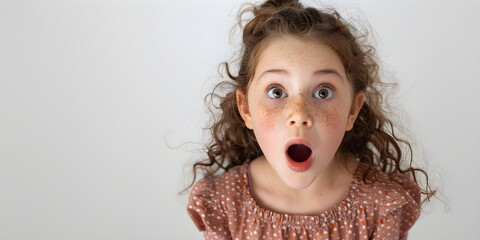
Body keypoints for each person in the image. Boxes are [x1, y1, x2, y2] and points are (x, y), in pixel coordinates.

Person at [186, 0, 435, 239]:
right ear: (246, 108)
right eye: (277, 92)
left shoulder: (381, 204)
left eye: (323, 92)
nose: (300, 115)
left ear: (352, 110)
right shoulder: (223, 204)